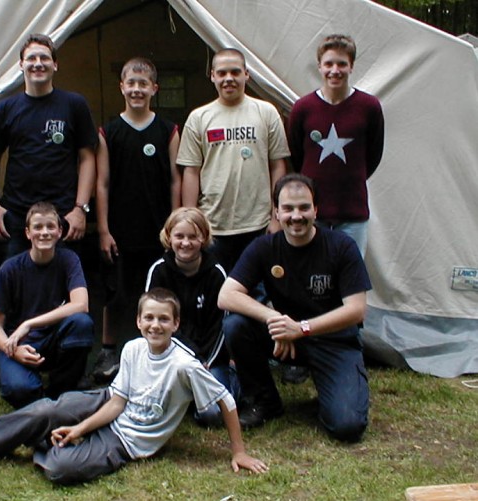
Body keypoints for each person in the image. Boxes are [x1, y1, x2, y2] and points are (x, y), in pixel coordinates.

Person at [0, 288, 267, 484]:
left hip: (129, 441)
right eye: (148, 318)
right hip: (107, 404)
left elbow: (226, 400)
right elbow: (117, 403)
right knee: (52, 408)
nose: (155, 325)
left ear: (176, 324)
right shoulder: (134, 348)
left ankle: (30, 437)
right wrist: (80, 427)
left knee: (61, 469)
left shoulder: (185, 365)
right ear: (138, 322)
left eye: (164, 319)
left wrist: (238, 451)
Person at [218, 174, 371, 442]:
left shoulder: (341, 246)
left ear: (316, 210)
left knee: (347, 427)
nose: (296, 216)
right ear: (276, 211)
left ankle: (337, 392)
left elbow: (356, 310)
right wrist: (275, 319)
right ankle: (264, 401)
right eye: (288, 208)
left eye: (304, 207)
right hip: (286, 338)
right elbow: (226, 296)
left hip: (333, 342)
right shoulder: (264, 247)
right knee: (235, 325)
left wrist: (301, 329)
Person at [91, 57, 181, 383]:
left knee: (159, 291)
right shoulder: (109, 131)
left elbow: (175, 180)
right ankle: (108, 350)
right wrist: (103, 229)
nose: (137, 90)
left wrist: (174, 227)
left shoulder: (168, 131)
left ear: (154, 89)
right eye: (131, 83)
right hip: (119, 229)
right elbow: (101, 183)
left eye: (143, 84)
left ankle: (157, 351)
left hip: (158, 229)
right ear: (122, 87)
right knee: (116, 293)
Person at [0, 33, 98, 258]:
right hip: (17, 216)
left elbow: (87, 158)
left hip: (63, 215)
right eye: (32, 58)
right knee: (16, 283)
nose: (38, 64)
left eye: (44, 58)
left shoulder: (74, 105)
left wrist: (80, 209)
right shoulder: (5, 109)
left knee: (64, 283)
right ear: (21, 65)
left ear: (55, 64)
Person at [178, 48, 289, 274]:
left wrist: (276, 216)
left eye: (235, 72)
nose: (229, 78)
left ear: (246, 74)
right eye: (222, 73)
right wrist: (192, 221)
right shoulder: (199, 117)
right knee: (216, 293)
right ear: (212, 76)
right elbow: (191, 171)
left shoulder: (266, 112)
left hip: (258, 225)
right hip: (213, 227)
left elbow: (278, 166)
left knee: (257, 293)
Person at [0, 202, 94, 409]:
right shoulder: (10, 269)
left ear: (60, 231)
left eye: (50, 227)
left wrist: (29, 323)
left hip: (53, 341)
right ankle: (32, 391)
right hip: (19, 344)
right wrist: (13, 350)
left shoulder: (69, 260)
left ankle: (61, 390)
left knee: (81, 323)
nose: (44, 232)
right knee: (20, 390)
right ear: (27, 233)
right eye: (38, 227)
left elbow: (81, 305)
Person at [287, 34, 384, 256]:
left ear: (351, 66)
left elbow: (373, 154)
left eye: (342, 64)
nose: (335, 70)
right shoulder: (303, 108)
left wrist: (351, 176)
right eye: (329, 63)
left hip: (353, 212)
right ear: (319, 66)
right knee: (311, 274)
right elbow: (297, 155)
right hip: (311, 212)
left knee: (351, 276)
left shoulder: (369, 107)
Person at [146, 207, 239, 426]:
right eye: (179, 236)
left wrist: (205, 361)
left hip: (209, 359)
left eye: (193, 236)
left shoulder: (217, 273)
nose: (185, 243)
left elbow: (220, 326)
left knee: (212, 416)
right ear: (169, 237)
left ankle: (233, 379)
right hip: (171, 356)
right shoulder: (159, 271)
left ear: (204, 238)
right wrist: (191, 357)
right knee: (151, 409)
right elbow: (153, 324)